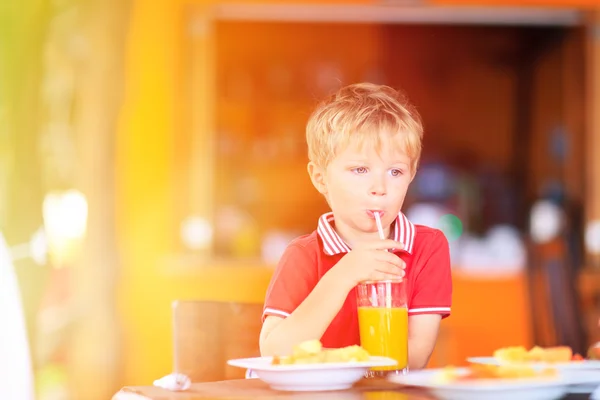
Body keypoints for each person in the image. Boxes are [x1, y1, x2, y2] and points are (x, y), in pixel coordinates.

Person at [259, 82, 452, 370]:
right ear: (321, 178)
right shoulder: (303, 254)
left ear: (411, 175)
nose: (379, 187)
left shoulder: (427, 248)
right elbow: (274, 353)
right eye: (360, 170)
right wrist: (344, 274)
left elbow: (414, 357)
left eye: (395, 171)